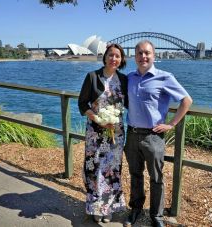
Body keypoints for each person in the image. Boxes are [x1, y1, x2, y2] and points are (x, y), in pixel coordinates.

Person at [124, 40, 193, 227]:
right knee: (135, 174)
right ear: (135, 56)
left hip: (153, 136)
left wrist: (171, 124)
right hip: (131, 134)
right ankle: (135, 209)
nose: (143, 56)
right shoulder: (129, 78)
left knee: (156, 177)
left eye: (147, 53)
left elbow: (186, 101)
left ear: (154, 56)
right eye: (139, 53)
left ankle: (157, 215)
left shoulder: (165, 77)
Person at [78, 43, 128, 223]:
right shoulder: (92, 77)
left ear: (121, 60)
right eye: (111, 55)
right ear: (105, 57)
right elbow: (82, 104)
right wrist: (98, 119)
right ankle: (94, 207)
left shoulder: (124, 80)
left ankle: (108, 208)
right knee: (94, 168)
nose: (114, 59)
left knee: (112, 171)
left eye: (117, 56)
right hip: (95, 132)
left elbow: (130, 103)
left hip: (116, 133)